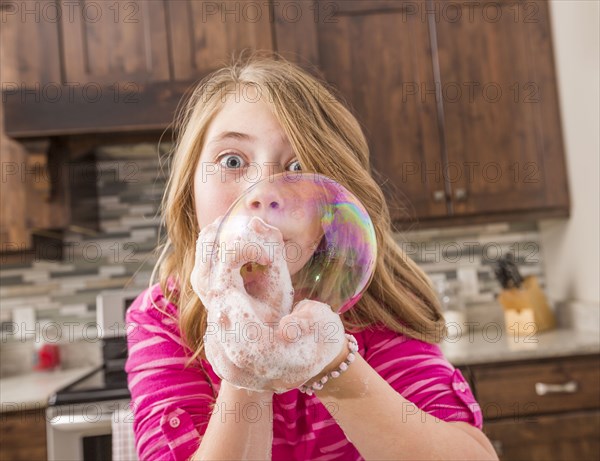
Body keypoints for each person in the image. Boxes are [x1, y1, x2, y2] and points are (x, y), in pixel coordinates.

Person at [125, 53, 499, 461]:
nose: (262, 189)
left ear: (331, 210)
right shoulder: (160, 317)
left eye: (298, 165)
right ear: (189, 191)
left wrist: (330, 362)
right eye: (232, 161)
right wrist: (246, 368)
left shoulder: (375, 310)